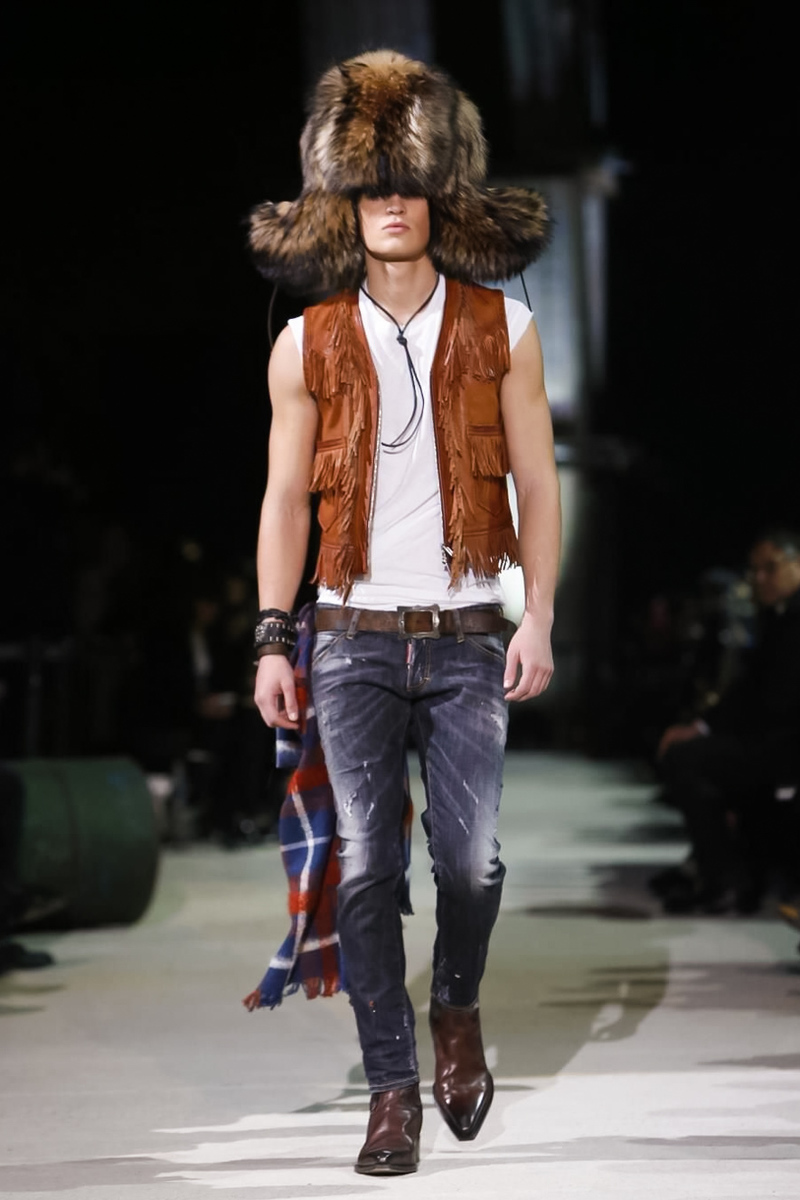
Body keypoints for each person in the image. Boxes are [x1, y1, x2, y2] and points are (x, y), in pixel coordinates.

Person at [249, 50, 561, 1175]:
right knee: (368, 865)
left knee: (470, 866)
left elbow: (538, 485)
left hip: (469, 634)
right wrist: (271, 636)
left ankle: (456, 1007)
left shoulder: (502, 328)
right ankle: (391, 1093)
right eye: (369, 184)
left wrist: (539, 618)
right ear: (343, 199)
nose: (389, 202)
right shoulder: (305, 340)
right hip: (349, 641)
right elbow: (287, 499)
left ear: (439, 193)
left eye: (406, 183)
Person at [655, 529, 800, 914]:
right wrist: (703, 725)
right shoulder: (780, 617)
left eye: (770, 568)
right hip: (774, 739)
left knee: (687, 760)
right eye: (755, 571)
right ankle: (720, 872)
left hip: (785, 745)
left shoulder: (790, 618)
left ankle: (726, 880)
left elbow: (772, 699)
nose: (760, 579)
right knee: (689, 752)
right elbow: (750, 689)